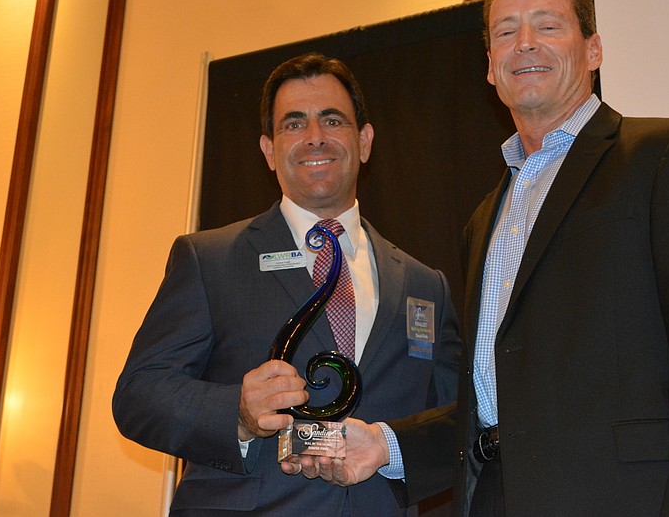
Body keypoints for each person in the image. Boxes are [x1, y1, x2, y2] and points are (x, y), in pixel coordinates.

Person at [290, 0, 669, 516]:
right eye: (504, 32)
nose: (524, 44)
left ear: (593, 50)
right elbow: (499, 405)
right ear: (490, 69)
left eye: (547, 26)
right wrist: (386, 444)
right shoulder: (484, 218)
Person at [113, 53, 461, 516]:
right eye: (293, 124)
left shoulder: (424, 285)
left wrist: (390, 447)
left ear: (364, 141)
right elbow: (139, 395)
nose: (315, 137)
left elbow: (458, 423)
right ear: (269, 150)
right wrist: (234, 410)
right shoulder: (209, 259)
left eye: (332, 120)